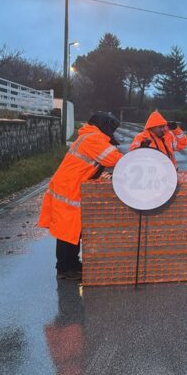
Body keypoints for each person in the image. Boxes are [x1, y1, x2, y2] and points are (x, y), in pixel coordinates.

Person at [38, 111, 123, 280]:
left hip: (70, 187)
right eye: (111, 128)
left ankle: (73, 264)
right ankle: (64, 268)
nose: (112, 132)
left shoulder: (91, 136)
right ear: (104, 125)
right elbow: (115, 160)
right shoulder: (93, 139)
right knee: (66, 232)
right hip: (68, 189)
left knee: (73, 230)